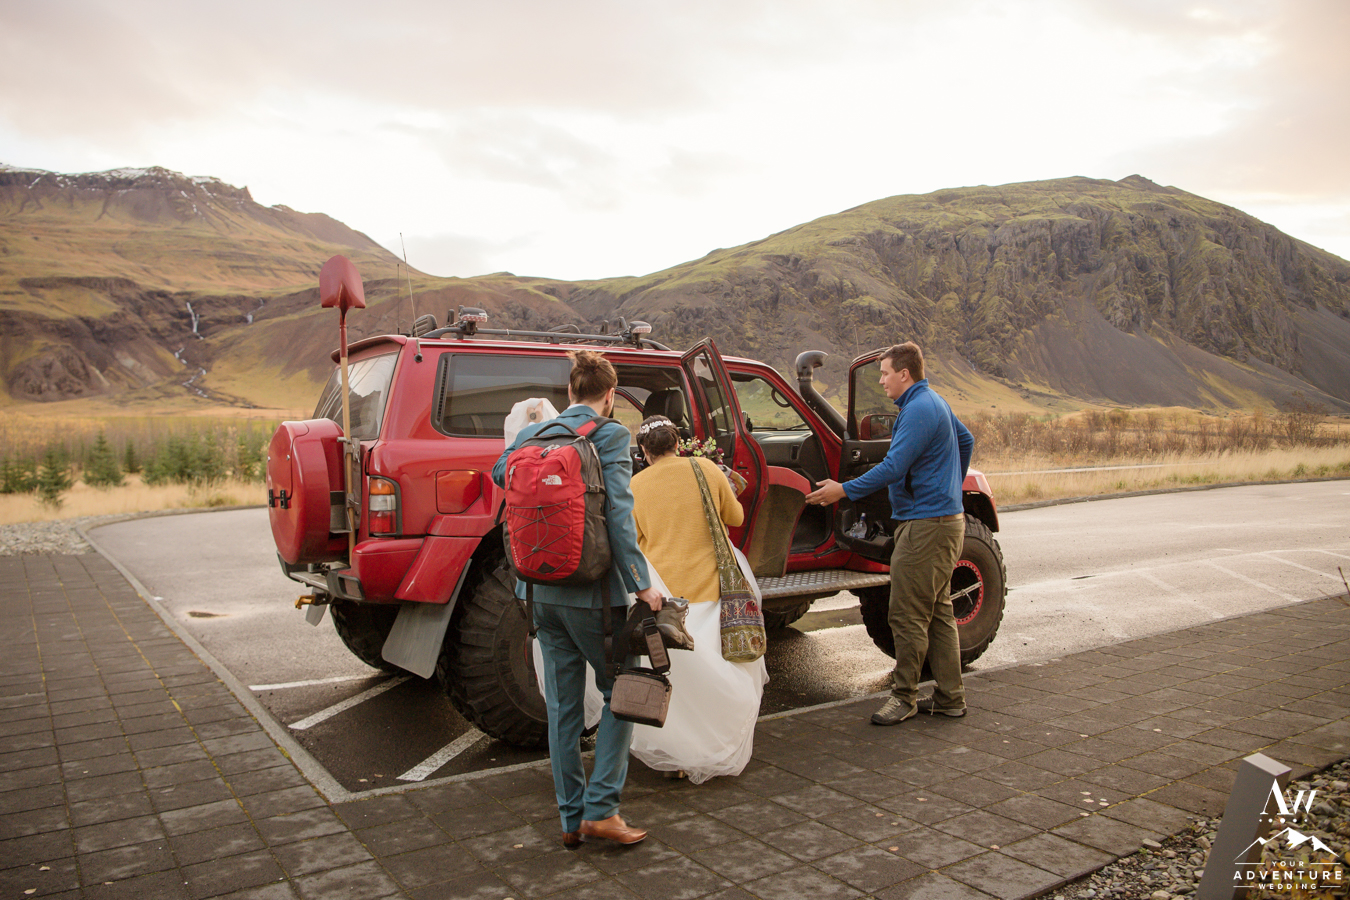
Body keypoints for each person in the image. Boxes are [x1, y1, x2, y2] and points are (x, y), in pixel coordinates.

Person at [492, 350, 664, 847]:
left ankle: (571, 818)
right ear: (609, 395)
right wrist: (642, 583)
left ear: (569, 392)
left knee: (563, 708)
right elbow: (619, 516)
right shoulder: (609, 435)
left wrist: (528, 431)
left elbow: (501, 474)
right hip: (595, 596)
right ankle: (602, 809)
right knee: (624, 692)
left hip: (538, 593)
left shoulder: (531, 436)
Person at [804, 342, 973, 726]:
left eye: (885, 373)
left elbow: (893, 467)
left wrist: (843, 490)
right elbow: (966, 441)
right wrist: (948, 488)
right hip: (942, 521)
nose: (881, 380)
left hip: (926, 527)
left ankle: (904, 697)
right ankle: (950, 697)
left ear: (904, 374)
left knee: (906, 615)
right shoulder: (934, 401)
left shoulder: (918, 409)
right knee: (938, 611)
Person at [626, 416, 769, 782]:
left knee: (680, 680)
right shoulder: (705, 469)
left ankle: (678, 755)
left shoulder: (635, 485)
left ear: (643, 451)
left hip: (667, 596)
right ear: (678, 443)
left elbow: (635, 541)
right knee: (722, 672)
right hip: (712, 587)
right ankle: (717, 744)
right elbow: (735, 517)